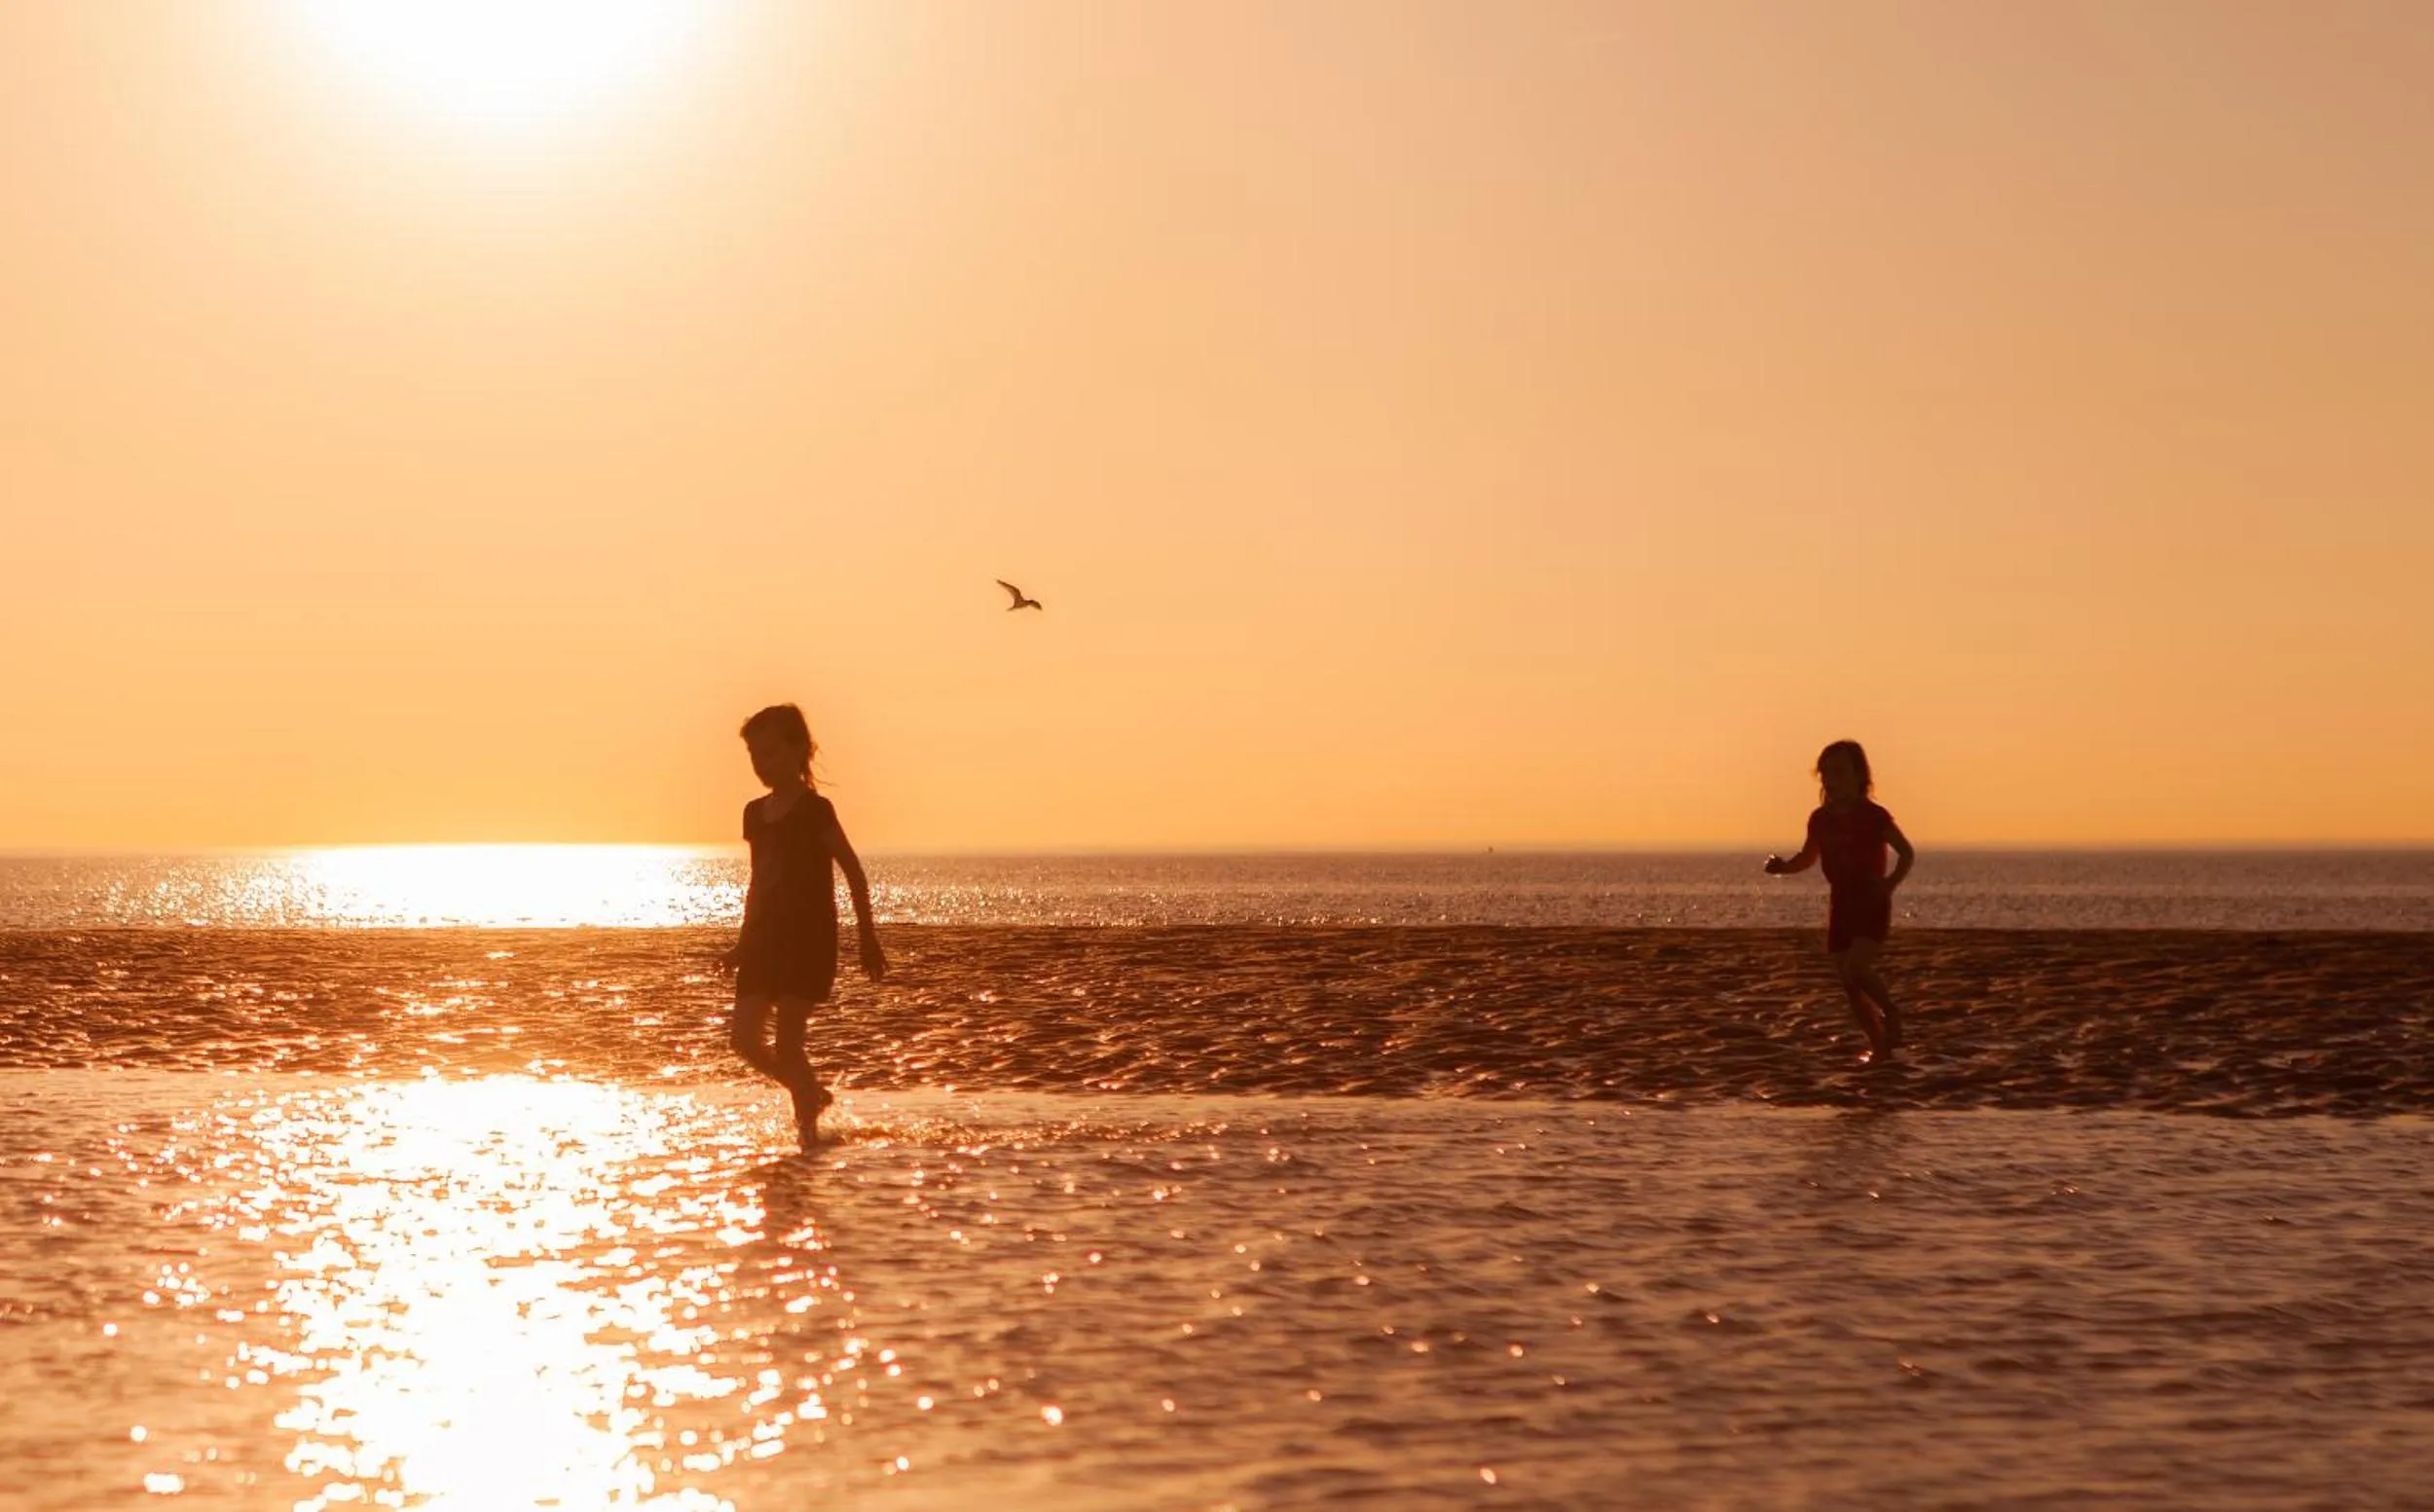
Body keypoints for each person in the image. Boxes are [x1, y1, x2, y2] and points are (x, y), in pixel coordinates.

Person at [722, 703, 886, 1147]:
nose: (762, 764)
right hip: (762, 940)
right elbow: (759, 882)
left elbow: (853, 871)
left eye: (771, 754)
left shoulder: (817, 811)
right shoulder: (754, 813)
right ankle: (811, 1093)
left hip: (808, 941)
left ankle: (807, 1140)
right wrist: (741, 944)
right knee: (743, 1039)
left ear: (800, 751)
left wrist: (866, 936)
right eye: (755, 755)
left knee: (790, 1045)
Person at [1765, 740, 1915, 1061]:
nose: (1832, 781)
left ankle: (1891, 1011)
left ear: (1859, 775)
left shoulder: (1874, 817)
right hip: (1841, 905)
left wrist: (1889, 885)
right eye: (1826, 775)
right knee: (1850, 985)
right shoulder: (1820, 819)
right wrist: (1782, 868)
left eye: (1839, 773)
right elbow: (1808, 858)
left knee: (1857, 966)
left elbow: (1906, 853)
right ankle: (1879, 1048)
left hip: (1871, 901)